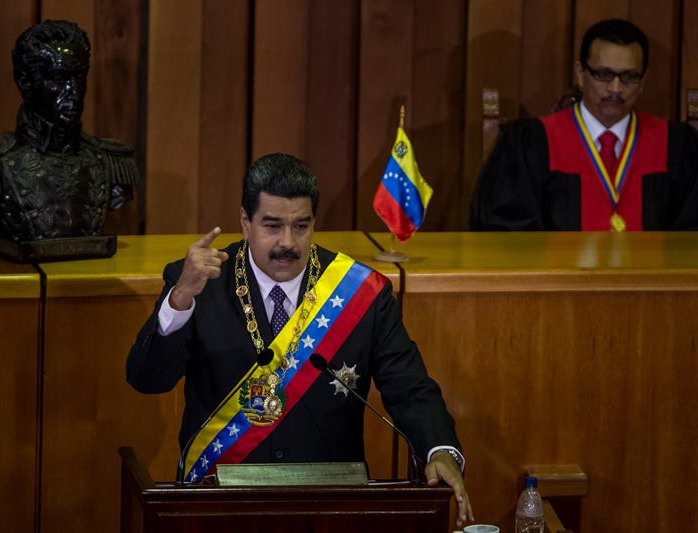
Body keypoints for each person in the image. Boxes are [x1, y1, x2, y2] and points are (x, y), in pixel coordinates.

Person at [126, 153, 474, 525]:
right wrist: (179, 300)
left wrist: (440, 450)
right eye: (272, 226)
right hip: (222, 503)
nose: (287, 243)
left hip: (330, 509)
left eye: (301, 226)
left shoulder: (360, 294)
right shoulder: (198, 283)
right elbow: (147, 380)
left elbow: (411, 387)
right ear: (245, 222)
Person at [471, 18, 698, 231]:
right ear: (580, 74)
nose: (616, 89)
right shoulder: (532, 144)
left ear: (643, 82)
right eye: (603, 74)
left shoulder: (677, 146)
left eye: (629, 76)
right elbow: (506, 234)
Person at [0, 20, 136, 243]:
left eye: (79, 77)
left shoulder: (108, 161)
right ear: (26, 82)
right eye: (59, 79)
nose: (73, 92)